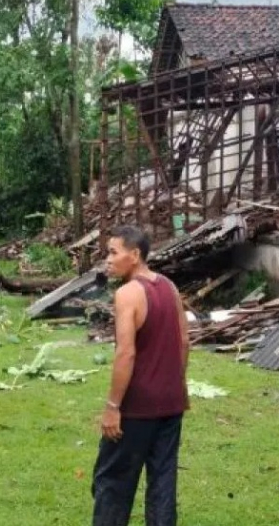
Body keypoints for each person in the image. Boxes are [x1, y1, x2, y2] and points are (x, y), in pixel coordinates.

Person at [91, 225, 189, 526]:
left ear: (134, 255)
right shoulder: (169, 287)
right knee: (162, 482)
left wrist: (112, 407)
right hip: (171, 403)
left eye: (113, 252)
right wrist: (173, 385)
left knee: (113, 482)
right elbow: (185, 342)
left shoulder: (127, 294)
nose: (107, 259)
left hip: (137, 407)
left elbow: (126, 353)